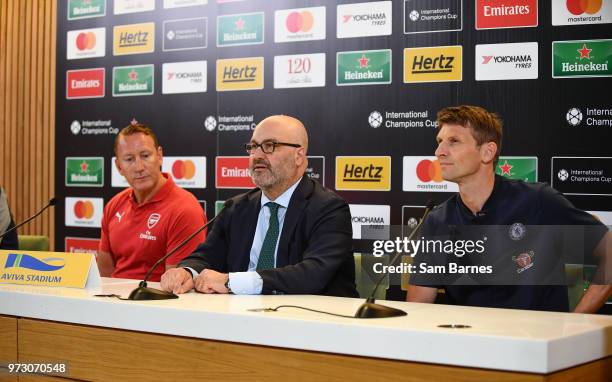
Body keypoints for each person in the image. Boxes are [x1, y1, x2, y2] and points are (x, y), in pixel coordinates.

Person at [407, 105, 611, 313]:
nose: (439, 151)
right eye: (440, 142)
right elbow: (418, 306)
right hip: (469, 341)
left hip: (536, 342)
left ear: (487, 152)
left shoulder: (539, 201)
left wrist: (576, 323)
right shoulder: (438, 220)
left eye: (454, 141)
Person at [160, 115, 358, 297]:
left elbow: (313, 273)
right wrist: (186, 271)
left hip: (311, 323)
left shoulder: (329, 209)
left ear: (299, 156)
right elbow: (205, 256)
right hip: (241, 318)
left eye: (270, 146)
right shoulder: (236, 208)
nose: (257, 155)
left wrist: (232, 282)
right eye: (253, 147)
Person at [97, 124, 207, 282]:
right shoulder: (114, 205)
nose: (139, 167)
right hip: (113, 302)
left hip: (157, 303)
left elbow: (178, 286)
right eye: (129, 159)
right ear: (119, 166)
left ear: (160, 155)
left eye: (145, 156)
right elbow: (104, 276)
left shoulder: (185, 209)